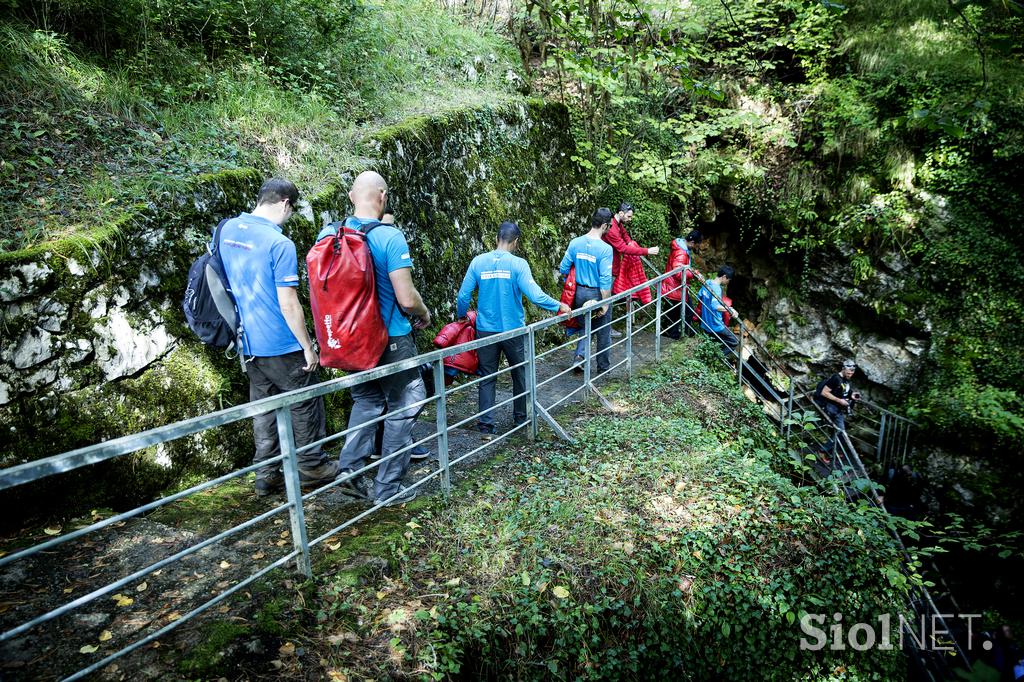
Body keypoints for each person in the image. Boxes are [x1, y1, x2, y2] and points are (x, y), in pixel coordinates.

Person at [217, 178, 338, 498]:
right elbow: (288, 303)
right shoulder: (279, 244)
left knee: (265, 408)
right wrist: (308, 347)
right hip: (282, 343)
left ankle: (265, 473)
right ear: (285, 204)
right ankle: (311, 464)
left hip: (247, 343)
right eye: (292, 210)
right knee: (305, 401)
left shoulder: (227, 230)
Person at [323, 171, 432, 507]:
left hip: (349, 340)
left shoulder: (329, 233)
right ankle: (388, 488)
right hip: (390, 340)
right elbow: (406, 298)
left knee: (367, 401)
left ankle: (349, 471)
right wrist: (424, 313)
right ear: (382, 196)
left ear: (351, 196)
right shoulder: (390, 237)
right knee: (408, 401)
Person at [456, 221, 571, 436]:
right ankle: (520, 419)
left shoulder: (478, 262)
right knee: (520, 373)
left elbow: (463, 296)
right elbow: (535, 295)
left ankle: (485, 425)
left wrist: (462, 315)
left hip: (486, 331)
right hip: (513, 331)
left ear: (496, 238)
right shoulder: (518, 265)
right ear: (515, 242)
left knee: (487, 376)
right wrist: (559, 306)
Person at [560, 208, 615, 374]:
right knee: (604, 330)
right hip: (596, 294)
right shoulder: (605, 249)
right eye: (610, 225)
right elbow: (605, 280)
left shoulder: (575, 243)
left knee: (585, 327)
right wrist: (605, 303)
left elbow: (564, 267)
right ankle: (603, 367)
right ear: (605, 225)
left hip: (578, 293)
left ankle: (580, 357)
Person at [604, 202, 659, 308]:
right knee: (606, 301)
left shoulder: (618, 223)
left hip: (613, 265)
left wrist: (630, 243)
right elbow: (623, 248)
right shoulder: (612, 229)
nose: (630, 219)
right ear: (621, 213)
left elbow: (625, 235)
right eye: (629, 216)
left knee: (608, 301)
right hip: (608, 268)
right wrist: (647, 251)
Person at [660, 229, 705, 339]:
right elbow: (678, 273)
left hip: (673, 286)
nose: (697, 248)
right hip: (675, 287)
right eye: (697, 245)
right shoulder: (681, 253)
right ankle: (677, 334)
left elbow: (683, 268)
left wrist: (695, 272)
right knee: (685, 312)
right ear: (693, 242)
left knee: (673, 313)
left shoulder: (680, 247)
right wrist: (694, 275)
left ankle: (673, 333)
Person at [814, 359, 861, 461]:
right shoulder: (836, 378)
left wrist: (851, 395)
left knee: (836, 431)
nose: (850, 375)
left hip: (837, 409)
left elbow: (841, 391)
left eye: (852, 373)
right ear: (843, 369)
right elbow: (824, 392)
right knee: (840, 431)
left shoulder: (845, 378)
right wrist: (839, 401)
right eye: (848, 372)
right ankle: (822, 451)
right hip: (831, 409)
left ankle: (831, 450)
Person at [697, 265, 739, 356]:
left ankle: (713, 357)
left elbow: (699, 296)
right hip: (715, 324)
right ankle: (718, 358)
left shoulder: (707, 282)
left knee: (718, 341)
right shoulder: (716, 288)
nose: (728, 282)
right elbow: (715, 306)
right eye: (728, 280)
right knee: (734, 342)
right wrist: (730, 309)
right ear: (724, 277)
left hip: (705, 323)